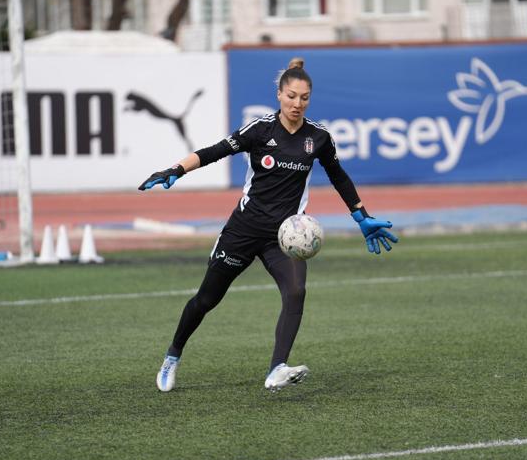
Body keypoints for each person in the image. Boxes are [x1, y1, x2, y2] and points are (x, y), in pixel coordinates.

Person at [139, 58, 398, 393]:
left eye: (304, 98)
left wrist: (360, 215)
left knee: (295, 292)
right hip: (243, 230)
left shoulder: (318, 138)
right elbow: (215, 151)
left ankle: (277, 368)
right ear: (279, 94)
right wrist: (175, 169)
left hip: (285, 236)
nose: (297, 104)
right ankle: (173, 354)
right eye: (291, 96)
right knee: (206, 299)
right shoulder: (260, 130)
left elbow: (339, 177)